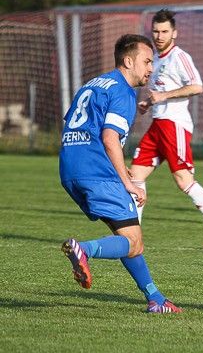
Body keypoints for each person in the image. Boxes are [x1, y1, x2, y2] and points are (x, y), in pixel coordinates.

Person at [59, 34, 181, 313]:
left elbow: (73, 126)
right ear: (128, 61)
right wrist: (128, 182)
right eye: (146, 61)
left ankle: (156, 299)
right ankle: (84, 249)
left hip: (71, 169)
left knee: (127, 238)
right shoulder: (123, 92)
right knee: (133, 242)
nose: (151, 68)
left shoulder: (94, 83)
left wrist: (114, 166)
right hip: (96, 171)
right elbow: (110, 137)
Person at [130, 9, 203, 250]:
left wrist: (164, 96)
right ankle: (134, 235)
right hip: (157, 124)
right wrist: (149, 102)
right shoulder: (155, 58)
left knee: (184, 180)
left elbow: (197, 86)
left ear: (174, 33)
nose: (159, 36)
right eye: (156, 31)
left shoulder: (180, 56)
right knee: (135, 177)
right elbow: (160, 91)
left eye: (164, 31)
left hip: (174, 125)